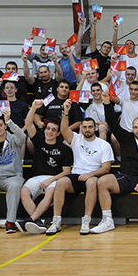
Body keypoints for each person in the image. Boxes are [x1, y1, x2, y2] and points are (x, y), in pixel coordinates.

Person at [92, 91, 138, 235]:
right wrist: (107, 102)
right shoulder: (126, 138)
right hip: (126, 177)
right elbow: (112, 124)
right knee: (102, 182)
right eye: (135, 127)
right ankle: (107, 220)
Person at [45, 100, 114, 235]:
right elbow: (63, 130)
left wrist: (90, 174)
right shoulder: (76, 138)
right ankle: (56, 221)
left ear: (95, 128)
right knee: (60, 182)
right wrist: (65, 112)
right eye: (85, 127)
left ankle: (86, 220)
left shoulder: (103, 145)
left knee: (92, 182)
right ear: (81, 128)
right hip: (76, 174)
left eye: (90, 127)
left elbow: (106, 168)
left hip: (92, 175)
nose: (87, 129)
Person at [16, 100, 73, 234]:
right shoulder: (39, 140)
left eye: (53, 130)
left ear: (58, 133)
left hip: (55, 178)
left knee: (50, 193)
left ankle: (31, 219)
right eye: (48, 129)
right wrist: (33, 108)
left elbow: (66, 172)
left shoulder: (65, 149)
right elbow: (28, 124)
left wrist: (50, 180)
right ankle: (37, 222)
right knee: (24, 192)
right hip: (37, 177)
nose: (49, 132)